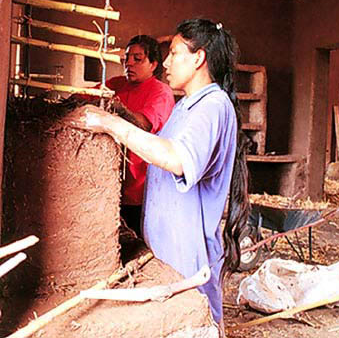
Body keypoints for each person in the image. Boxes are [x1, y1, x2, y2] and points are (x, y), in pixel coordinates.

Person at [73, 18, 249, 331]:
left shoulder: (212, 106)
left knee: (194, 325)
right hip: (169, 251)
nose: (166, 62)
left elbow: (177, 159)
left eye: (175, 53)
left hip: (187, 256)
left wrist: (112, 124)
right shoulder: (188, 106)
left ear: (198, 59)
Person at [78, 35, 175, 237]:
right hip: (111, 183)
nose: (129, 63)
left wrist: (117, 110)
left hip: (141, 186)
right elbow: (80, 96)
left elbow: (144, 124)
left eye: (137, 59)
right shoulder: (117, 84)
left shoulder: (161, 92)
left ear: (153, 64)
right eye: (127, 58)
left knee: (137, 239)